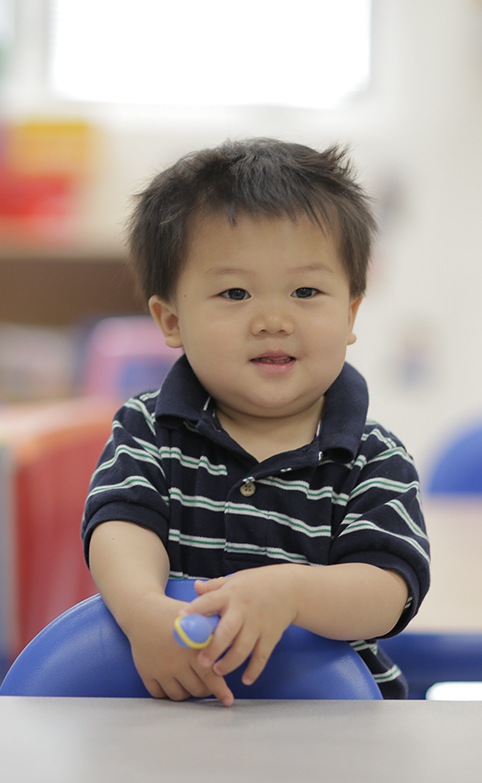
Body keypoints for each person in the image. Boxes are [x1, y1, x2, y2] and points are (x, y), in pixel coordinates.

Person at [81, 139, 430, 705]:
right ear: (171, 319)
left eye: (306, 291)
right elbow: (120, 526)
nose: (272, 319)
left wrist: (292, 592)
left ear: (350, 313)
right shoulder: (149, 427)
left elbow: (388, 590)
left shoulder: (373, 458)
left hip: (331, 734)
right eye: (235, 292)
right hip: (168, 725)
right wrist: (145, 611)